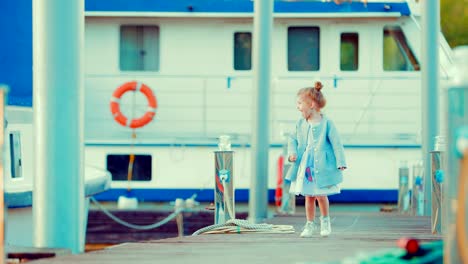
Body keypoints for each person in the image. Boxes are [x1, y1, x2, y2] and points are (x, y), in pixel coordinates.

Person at [285, 81, 347, 238]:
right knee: (309, 195)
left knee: (320, 194)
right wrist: (292, 153)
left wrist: (341, 162)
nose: (297, 107)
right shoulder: (300, 123)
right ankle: (310, 224)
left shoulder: (327, 124)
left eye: (300, 103)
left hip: (322, 165)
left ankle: (325, 221)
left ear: (311, 104)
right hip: (306, 164)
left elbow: (336, 143)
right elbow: (292, 139)